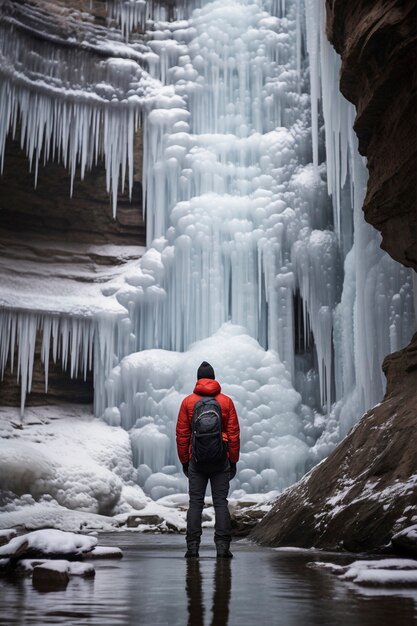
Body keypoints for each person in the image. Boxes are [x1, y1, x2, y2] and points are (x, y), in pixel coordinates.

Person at [176, 361, 240, 559]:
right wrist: (233, 460)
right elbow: (234, 434)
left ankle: (192, 547)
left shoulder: (188, 402)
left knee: (195, 503)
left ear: (198, 379)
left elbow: (182, 434)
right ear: (213, 378)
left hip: (197, 460)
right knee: (221, 503)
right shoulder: (226, 401)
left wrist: (185, 461)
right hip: (221, 461)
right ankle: (222, 548)